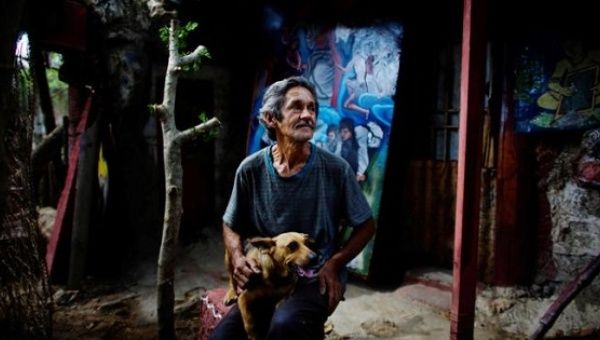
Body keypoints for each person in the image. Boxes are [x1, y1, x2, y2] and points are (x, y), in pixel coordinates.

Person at [211, 76, 375, 340]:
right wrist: (238, 258)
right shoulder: (250, 170)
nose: (307, 114)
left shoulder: (336, 169)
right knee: (222, 338)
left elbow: (367, 225)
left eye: (312, 108)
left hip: (316, 275)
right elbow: (230, 222)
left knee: (285, 325)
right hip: (268, 275)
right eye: (297, 107)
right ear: (271, 119)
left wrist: (335, 263)